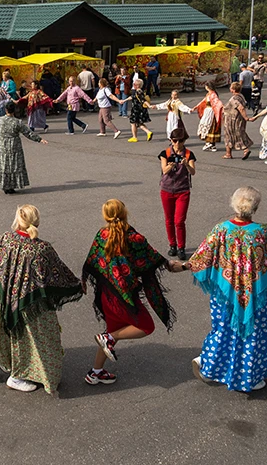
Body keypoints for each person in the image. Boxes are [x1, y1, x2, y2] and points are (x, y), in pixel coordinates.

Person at [0, 205, 83, 394]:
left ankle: (20, 373)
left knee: (17, 338)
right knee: (40, 340)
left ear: (18, 220)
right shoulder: (42, 248)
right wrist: (78, 284)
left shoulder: (5, 240)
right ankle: (18, 376)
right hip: (34, 306)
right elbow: (60, 273)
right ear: (37, 221)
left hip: (8, 300)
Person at [187, 187, 267, 392]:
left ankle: (208, 364)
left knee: (223, 330)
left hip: (227, 295)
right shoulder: (263, 231)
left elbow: (200, 258)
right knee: (257, 334)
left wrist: (179, 266)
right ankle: (250, 377)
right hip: (258, 294)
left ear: (233, 204)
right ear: (255, 208)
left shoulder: (221, 230)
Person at [80, 199, 182, 385]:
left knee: (113, 331)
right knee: (145, 327)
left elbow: (92, 261)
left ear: (105, 216)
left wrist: (84, 280)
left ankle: (95, 372)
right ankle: (108, 338)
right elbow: (154, 258)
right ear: (125, 212)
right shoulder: (135, 238)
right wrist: (182, 266)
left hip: (106, 294)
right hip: (124, 297)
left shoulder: (102, 234)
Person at [0, 101, 49, 194]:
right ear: (14, 110)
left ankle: (5, 185)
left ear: (5, 110)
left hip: (2, 144)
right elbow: (28, 133)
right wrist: (39, 139)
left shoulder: (0, 120)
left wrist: (0, 131)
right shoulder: (18, 122)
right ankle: (13, 185)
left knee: (4, 165)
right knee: (15, 165)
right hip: (14, 144)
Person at [156, 127, 196, 259]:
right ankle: (172, 245)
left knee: (179, 221)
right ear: (171, 140)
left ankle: (181, 247)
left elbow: (193, 172)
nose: (177, 144)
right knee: (169, 220)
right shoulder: (165, 153)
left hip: (182, 191)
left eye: (180, 141)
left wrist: (186, 164)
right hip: (167, 190)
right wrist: (171, 164)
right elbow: (164, 170)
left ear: (184, 140)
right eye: (174, 141)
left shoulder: (189, 154)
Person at [222, 82, 253, 160]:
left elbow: (241, 107)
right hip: (239, 119)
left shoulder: (235, 98)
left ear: (233, 89)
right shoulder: (241, 96)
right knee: (240, 133)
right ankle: (244, 150)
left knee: (229, 135)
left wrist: (246, 117)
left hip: (232, 120)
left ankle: (229, 153)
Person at [194, 82, 222, 152]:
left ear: (207, 87)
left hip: (211, 112)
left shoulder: (213, 95)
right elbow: (203, 101)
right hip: (207, 111)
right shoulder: (209, 94)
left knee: (210, 126)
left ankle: (210, 143)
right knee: (207, 125)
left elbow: (218, 103)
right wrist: (196, 107)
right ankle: (210, 144)